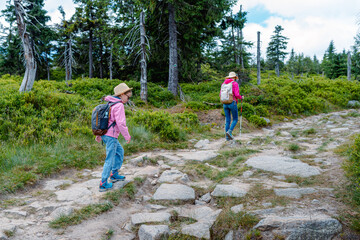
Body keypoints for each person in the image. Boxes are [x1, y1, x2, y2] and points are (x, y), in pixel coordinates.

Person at [96, 83, 132, 192]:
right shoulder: (119, 105)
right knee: (110, 158)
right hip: (111, 136)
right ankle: (103, 183)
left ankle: (114, 174)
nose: (128, 98)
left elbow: (104, 120)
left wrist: (99, 135)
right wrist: (127, 136)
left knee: (119, 152)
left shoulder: (110, 103)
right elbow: (121, 123)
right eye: (128, 96)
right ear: (121, 94)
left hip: (106, 134)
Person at [221, 72, 243, 141]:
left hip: (225, 103)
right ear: (234, 77)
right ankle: (229, 132)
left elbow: (220, 94)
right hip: (232, 102)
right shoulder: (234, 83)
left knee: (227, 120)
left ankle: (227, 138)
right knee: (235, 119)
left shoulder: (223, 84)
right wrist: (241, 97)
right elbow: (236, 94)